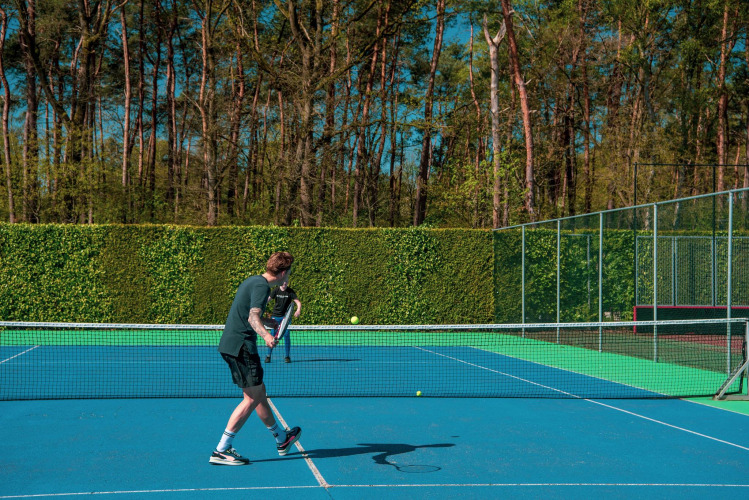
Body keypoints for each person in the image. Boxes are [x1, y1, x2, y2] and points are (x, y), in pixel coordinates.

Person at [210, 251, 302, 466]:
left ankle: (281, 438)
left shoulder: (253, 281)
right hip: (241, 347)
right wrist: (267, 336)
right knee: (251, 398)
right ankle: (221, 450)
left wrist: (270, 324)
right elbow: (252, 317)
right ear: (282, 273)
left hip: (233, 344)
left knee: (259, 393)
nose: (290, 276)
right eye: (289, 272)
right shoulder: (262, 287)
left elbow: (251, 315)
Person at [266, 280, 302, 363]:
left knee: (286, 336)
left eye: (286, 282)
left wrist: (298, 310)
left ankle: (287, 356)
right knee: (272, 336)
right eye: (283, 282)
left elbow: (298, 302)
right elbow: (268, 299)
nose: (285, 283)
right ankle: (268, 356)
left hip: (286, 318)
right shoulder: (275, 290)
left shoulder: (290, 291)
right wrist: (261, 306)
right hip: (275, 316)